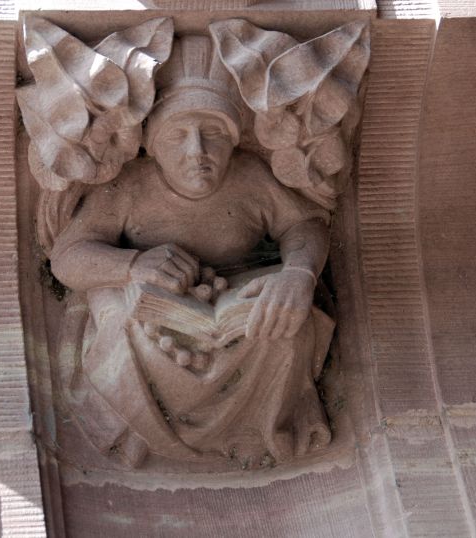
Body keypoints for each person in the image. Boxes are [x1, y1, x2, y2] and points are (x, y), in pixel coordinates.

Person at [48, 36, 334, 468]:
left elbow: (304, 225)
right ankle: (142, 430)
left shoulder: (251, 177)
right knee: (124, 328)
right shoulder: (130, 186)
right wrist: (133, 265)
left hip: (232, 304)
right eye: (177, 135)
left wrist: (299, 273)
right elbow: (67, 257)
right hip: (150, 307)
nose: (197, 152)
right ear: (152, 145)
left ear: (234, 139)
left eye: (214, 134)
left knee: (286, 326)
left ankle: (257, 430)